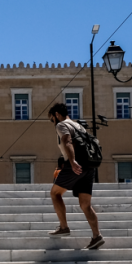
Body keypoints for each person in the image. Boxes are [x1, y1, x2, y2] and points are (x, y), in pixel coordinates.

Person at [47, 103, 103, 250]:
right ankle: (97, 236)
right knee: (85, 204)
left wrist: (72, 162)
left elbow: (67, 141)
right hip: (89, 166)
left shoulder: (62, 125)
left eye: (52, 119)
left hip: (76, 165)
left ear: (57, 115)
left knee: (55, 193)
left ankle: (64, 227)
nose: (53, 122)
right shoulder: (79, 126)